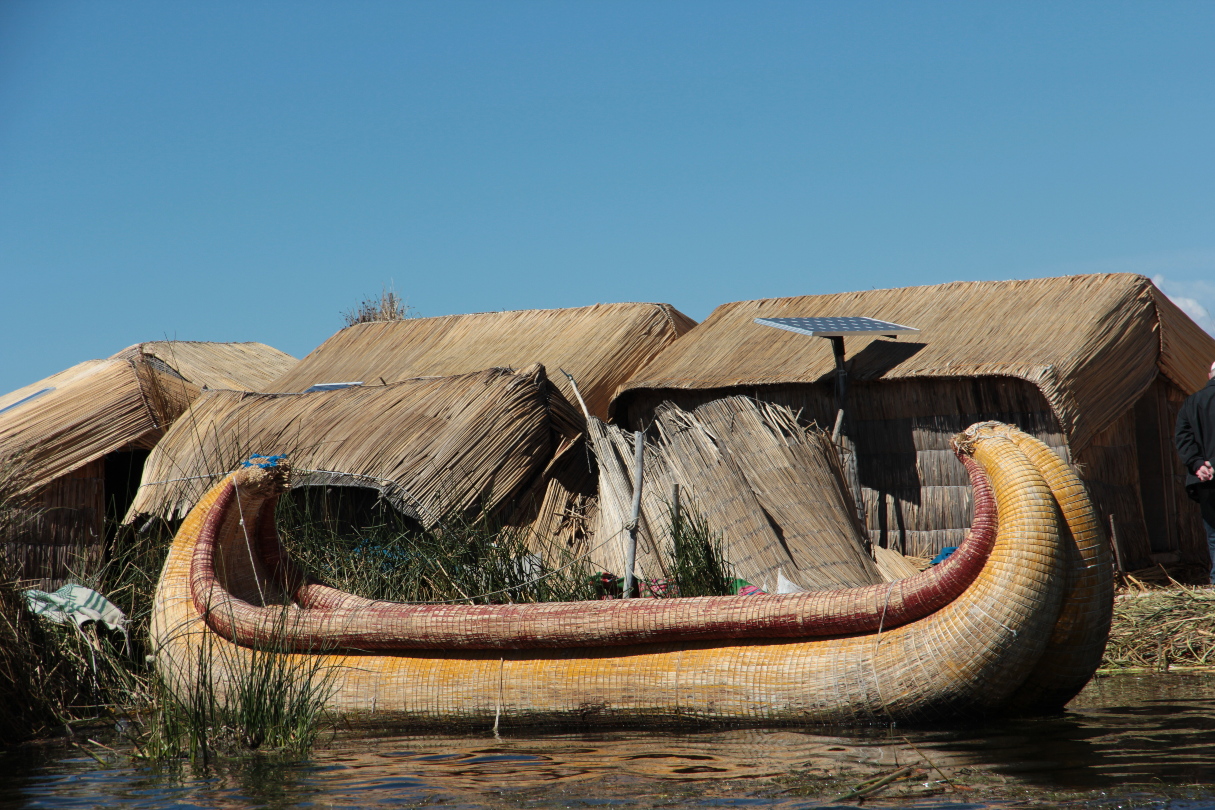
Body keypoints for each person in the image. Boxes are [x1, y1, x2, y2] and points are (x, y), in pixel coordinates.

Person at [1176, 359, 1215, 583]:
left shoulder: (1191, 403)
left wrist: (1198, 464)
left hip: (1206, 480)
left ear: (1210, 376)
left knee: (1213, 534)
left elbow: (1183, 437)